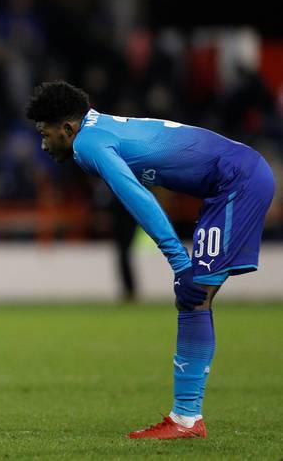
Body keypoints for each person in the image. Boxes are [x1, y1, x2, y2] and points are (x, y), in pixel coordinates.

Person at [26, 80, 274, 439]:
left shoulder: (88, 144)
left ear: (67, 127)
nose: (43, 144)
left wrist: (178, 261)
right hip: (232, 179)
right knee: (194, 299)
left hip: (238, 180)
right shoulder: (99, 125)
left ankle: (186, 420)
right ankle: (186, 418)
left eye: (45, 133)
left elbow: (136, 196)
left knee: (194, 296)